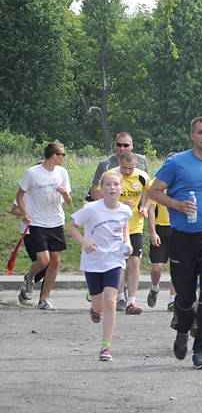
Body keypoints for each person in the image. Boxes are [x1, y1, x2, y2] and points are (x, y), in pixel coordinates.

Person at [147, 117, 202, 370]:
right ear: (192, 135)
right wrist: (176, 205)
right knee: (185, 296)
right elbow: (153, 192)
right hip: (183, 238)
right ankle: (182, 327)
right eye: (201, 132)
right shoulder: (177, 163)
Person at [67, 171, 132, 361]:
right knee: (99, 303)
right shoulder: (91, 209)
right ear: (101, 189)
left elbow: (125, 228)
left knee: (111, 301)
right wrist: (84, 242)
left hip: (114, 259)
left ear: (121, 189)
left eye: (116, 185)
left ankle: (105, 347)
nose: (112, 188)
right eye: (108, 185)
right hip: (93, 261)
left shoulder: (125, 211)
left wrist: (128, 244)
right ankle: (95, 308)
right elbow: (72, 227)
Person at [15, 142, 73, 310]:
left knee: (55, 261)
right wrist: (24, 212)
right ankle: (29, 278)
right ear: (54, 156)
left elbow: (69, 202)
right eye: (62, 155)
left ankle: (44, 299)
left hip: (55, 222)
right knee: (43, 260)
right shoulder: (32, 173)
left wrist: (65, 193)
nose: (64, 158)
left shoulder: (62, 172)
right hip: (37, 223)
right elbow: (19, 196)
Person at [96, 151, 152, 314]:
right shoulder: (111, 175)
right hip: (115, 226)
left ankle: (132, 301)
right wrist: (119, 202)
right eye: (125, 168)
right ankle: (120, 297)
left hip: (135, 226)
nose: (128, 171)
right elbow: (100, 196)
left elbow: (150, 192)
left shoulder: (141, 176)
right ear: (119, 163)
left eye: (131, 168)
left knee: (134, 262)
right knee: (119, 262)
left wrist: (145, 206)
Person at [88, 132, 149, 202]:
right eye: (119, 145)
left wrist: (144, 206)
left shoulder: (142, 161)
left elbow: (147, 186)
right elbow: (95, 191)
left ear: (132, 146)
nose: (122, 148)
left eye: (126, 145)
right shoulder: (105, 164)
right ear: (115, 146)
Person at [9, 200, 47, 298]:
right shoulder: (25, 193)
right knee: (42, 263)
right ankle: (28, 283)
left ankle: (43, 298)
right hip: (30, 231)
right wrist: (27, 214)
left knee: (50, 266)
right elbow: (14, 210)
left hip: (49, 230)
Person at [146, 196, 176, 311]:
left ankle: (172, 300)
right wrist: (153, 232)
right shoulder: (159, 184)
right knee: (156, 267)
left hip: (177, 229)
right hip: (160, 230)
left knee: (176, 267)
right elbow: (151, 209)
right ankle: (154, 287)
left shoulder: (182, 182)